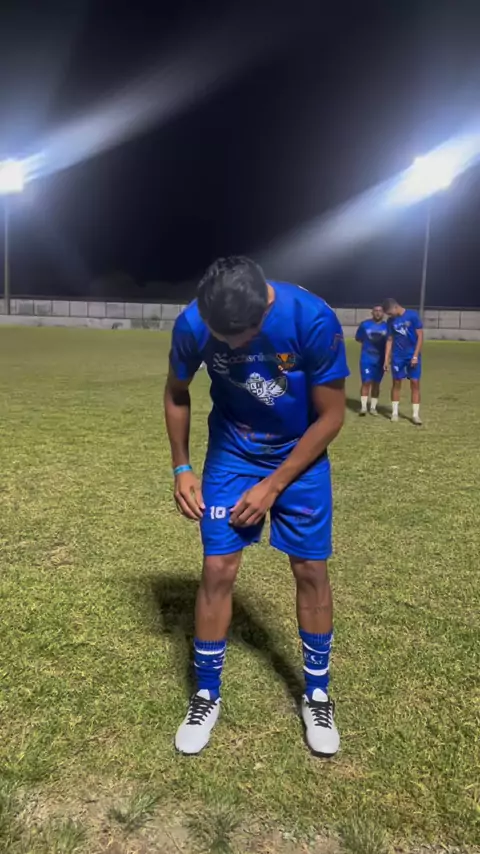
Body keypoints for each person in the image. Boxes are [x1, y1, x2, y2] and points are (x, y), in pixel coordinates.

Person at [164, 256, 349, 758]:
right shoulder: (194, 322)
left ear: (264, 311)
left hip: (300, 454)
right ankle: (206, 694)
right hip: (233, 453)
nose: (224, 347)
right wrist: (182, 467)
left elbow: (332, 417)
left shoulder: (312, 319)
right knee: (217, 567)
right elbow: (177, 392)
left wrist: (273, 486)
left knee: (310, 568)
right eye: (218, 337)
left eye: (236, 338)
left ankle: (317, 695)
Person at [382, 298, 423, 425]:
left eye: (390, 313)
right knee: (396, 383)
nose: (389, 315)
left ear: (395, 307)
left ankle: (415, 415)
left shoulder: (412, 315)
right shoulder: (390, 321)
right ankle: (394, 413)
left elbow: (420, 336)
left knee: (415, 383)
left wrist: (415, 356)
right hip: (397, 357)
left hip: (412, 356)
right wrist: (386, 359)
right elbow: (389, 340)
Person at [354, 305, 388, 415]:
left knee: (376, 383)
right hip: (367, 358)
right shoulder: (365, 325)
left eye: (380, 311)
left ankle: (373, 408)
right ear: (372, 312)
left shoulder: (387, 327)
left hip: (380, 359)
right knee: (366, 382)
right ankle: (363, 407)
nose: (378, 313)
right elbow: (358, 338)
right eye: (376, 311)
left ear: (383, 313)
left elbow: (390, 342)